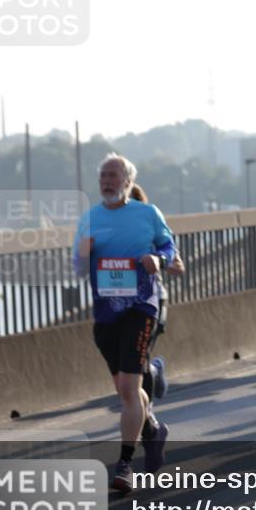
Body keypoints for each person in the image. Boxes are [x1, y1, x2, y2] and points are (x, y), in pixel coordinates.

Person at [73, 153, 176, 492]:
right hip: (106, 314)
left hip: (141, 308)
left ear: (129, 182)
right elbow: (76, 269)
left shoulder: (147, 214)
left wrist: (157, 260)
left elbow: (170, 249)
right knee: (126, 390)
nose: (107, 181)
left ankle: (124, 464)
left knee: (129, 390)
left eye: (114, 175)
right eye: (103, 175)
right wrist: (83, 254)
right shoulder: (89, 219)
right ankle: (155, 430)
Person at [128, 184, 186, 404]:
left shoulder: (152, 227)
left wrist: (156, 260)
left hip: (153, 300)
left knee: (138, 362)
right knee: (130, 364)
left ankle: (147, 417)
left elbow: (178, 266)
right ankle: (156, 369)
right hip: (122, 303)